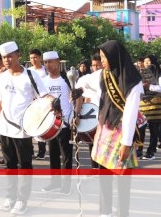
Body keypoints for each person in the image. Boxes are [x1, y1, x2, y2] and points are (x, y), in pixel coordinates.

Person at [0, 41, 50, 215]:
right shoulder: (1, 78)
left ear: (18, 55)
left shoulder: (31, 76)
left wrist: (53, 101)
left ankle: (22, 200)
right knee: (9, 165)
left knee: (24, 165)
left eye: (10, 56)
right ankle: (10, 198)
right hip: (4, 128)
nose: (7, 60)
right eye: (4, 57)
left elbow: (44, 96)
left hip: (24, 130)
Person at [88, 40, 143, 217]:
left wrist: (127, 143)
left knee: (122, 179)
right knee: (104, 173)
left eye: (104, 57)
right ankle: (105, 212)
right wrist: (79, 90)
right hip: (105, 129)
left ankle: (122, 213)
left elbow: (130, 113)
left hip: (122, 134)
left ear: (114, 56)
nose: (102, 60)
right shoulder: (103, 74)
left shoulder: (133, 81)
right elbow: (85, 82)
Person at [41, 51, 73, 195]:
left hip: (65, 123)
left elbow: (77, 97)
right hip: (51, 123)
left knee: (66, 155)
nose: (48, 65)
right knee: (53, 153)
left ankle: (66, 185)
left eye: (51, 62)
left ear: (58, 62)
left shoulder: (67, 79)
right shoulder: (43, 81)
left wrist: (75, 115)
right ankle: (55, 182)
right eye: (46, 62)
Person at [74, 54, 104, 168]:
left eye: (98, 65)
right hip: (92, 115)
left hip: (105, 116)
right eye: (93, 65)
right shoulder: (88, 79)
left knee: (103, 145)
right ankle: (94, 167)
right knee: (92, 142)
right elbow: (83, 97)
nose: (95, 68)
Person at [140, 55, 161, 160]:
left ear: (153, 62)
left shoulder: (160, 73)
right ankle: (139, 150)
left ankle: (151, 151)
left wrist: (150, 86)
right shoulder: (141, 73)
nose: (146, 63)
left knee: (154, 129)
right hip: (143, 103)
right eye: (145, 61)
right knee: (140, 128)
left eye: (148, 61)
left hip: (155, 103)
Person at [28, 49, 47, 160]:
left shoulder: (45, 71)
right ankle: (30, 150)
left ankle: (42, 151)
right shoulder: (28, 71)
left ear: (40, 58)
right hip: (30, 102)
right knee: (29, 126)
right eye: (31, 58)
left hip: (42, 102)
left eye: (35, 57)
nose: (33, 60)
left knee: (41, 126)